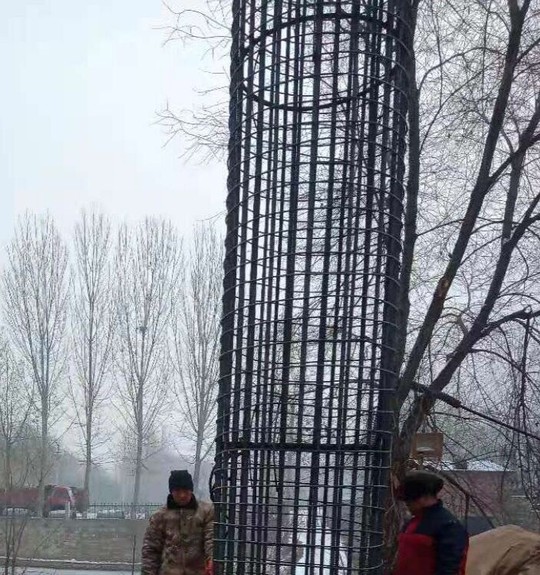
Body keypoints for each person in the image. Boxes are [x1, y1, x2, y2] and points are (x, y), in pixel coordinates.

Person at [394, 470, 468, 575]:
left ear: (426, 496)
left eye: (410, 499)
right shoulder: (411, 523)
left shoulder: (449, 526)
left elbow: (450, 569)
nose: (407, 503)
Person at [142, 470, 214, 575]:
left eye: (185, 490)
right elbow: (150, 550)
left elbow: (211, 538)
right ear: (171, 492)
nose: (182, 495)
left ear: (191, 490)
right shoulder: (159, 516)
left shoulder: (206, 512)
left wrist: (212, 559)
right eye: (177, 491)